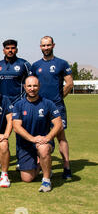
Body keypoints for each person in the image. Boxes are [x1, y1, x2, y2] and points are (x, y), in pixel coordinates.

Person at [30, 36, 74, 180]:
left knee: (61, 136)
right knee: (39, 136)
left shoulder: (61, 63)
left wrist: (60, 98)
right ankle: (40, 165)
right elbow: (31, 83)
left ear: (53, 45)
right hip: (39, 106)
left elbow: (69, 83)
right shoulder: (35, 65)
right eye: (43, 45)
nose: (46, 48)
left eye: (48, 45)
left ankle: (66, 167)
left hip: (57, 106)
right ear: (40, 47)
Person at [12, 76, 63, 192]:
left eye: (35, 86)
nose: (32, 88)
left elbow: (58, 123)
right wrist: (33, 139)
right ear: (25, 87)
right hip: (26, 144)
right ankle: (41, 164)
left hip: (43, 141)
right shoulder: (18, 105)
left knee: (44, 149)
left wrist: (48, 138)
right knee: (27, 178)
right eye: (29, 86)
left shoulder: (48, 103)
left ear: (39, 87)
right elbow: (16, 126)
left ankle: (46, 180)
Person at [0, 39, 31, 104]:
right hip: (3, 104)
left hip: (20, 102)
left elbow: (32, 84)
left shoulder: (24, 64)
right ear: (3, 51)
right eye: (7, 48)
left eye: (13, 48)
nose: (10, 50)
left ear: (16, 50)